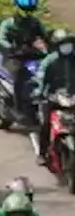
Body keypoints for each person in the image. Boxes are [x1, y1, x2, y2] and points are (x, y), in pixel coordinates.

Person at [0, 0, 52, 127]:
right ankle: (18, 108)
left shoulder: (35, 22)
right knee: (18, 77)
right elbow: (2, 39)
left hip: (32, 54)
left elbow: (45, 36)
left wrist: (53, 43)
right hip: (15, 56)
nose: (27, 11)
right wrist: (12, 48)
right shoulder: (8, 24)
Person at [36, 28, 75, 164]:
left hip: (72, 97)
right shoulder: (49, 61)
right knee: (45, 124)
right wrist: (39, 93)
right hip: (52, 97)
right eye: (63, 44)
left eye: (69, 43)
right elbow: (40, 77)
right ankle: (42, 153)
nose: (67, 46)